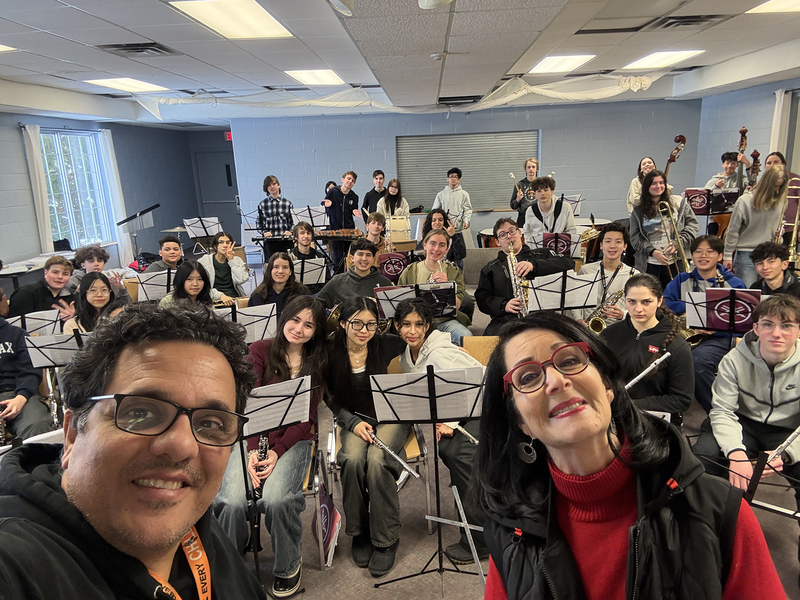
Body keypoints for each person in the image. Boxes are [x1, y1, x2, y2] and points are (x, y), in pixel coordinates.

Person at [473, 311, 783, 600]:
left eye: (569, 360)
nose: (556, 381)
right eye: (527, 377)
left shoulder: (718, 510)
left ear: (607, 385)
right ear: (520, 422)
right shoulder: (510, 530)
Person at [0, 303, 264, 600]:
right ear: (72, 434)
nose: (182, 446)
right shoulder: (14, 565)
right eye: (140, 413)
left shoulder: (197, 523)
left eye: (211, 423)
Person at [213, 296, 327, 598]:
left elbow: (306, 418)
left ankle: (288, 565)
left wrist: (277, 451)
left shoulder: (317, 361)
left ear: (316, 331)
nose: (299, 329)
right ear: (284, 318)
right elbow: (249, 406)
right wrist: (253, 451)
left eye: (308, 325)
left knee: (277, 500)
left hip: (294, 440)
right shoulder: (259, 350)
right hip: (251, 436)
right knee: (231, 501)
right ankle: (230, 562)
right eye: (295, 320)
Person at [692, 294, 800, 574]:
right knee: (703, 458)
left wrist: (788, 454)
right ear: (755, 328)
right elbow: (722, 411)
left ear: (799, 330)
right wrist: (736, 453)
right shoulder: (733, 359)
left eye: (787, 325)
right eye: (768, 324)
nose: (777, 333)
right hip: (742, 423)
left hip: (789, 431)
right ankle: (707, 539)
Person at [394, 298, 486, 563]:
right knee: (448, 451)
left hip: (485, 404)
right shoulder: (407, 355)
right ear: (397, 326)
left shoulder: (438, 353)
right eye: (406, 324)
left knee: (458, 453)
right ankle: (474, 521)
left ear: (428, 326)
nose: (412, 331)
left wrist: (451, 423)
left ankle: (480, 541)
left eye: (419, 324)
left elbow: (479, 385)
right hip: (461, 408)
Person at [324, 297, 406, 577]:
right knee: (351, 459)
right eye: (357, 323)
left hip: (391, 414)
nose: (364, 330)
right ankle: (359, 530)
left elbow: (420, 339)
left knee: (377, 461)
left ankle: (386, 538)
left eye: (371, 324)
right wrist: (351, 422)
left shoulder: (387, 343)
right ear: (343, 323)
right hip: (355, 418)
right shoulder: (330, 350)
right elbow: (328, 397)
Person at [663, 235, 746, 413]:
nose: (703, 256)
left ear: (720, 256)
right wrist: (698, 308)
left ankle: (717, 413)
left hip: (720, 338)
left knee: (698, 363)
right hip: (685, 336)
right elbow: (666, 304)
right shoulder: (681, 279)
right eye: (698, 252)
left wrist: (715, 329)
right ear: (692, 256)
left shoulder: (735, 284)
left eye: (709, 252)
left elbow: (742, 324)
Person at [600, 273, 694, 419]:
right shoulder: (609, 334)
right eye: (631, 302)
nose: (638, 309)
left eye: (646, 302)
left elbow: (681, 399)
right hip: (611, 414)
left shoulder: (677, 345)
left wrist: (631, 404)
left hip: (651, 419)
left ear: (659, 301)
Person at [476, 218, 573, 336]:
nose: (509, 236)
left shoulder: (542, 254)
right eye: (502, 234)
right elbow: (482, 299)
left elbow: (568, 263)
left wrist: (534, 265)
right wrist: (504, 305)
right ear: (497, 242)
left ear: (519, 233)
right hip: (506, 319)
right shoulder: (490, 268)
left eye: (512, 231)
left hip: (543, 315)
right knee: (489, 340)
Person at [398, 229, 472, 345]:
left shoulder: (454, 272)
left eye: (442, 245)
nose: (436, 249)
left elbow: (457, 305)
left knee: (466, 336)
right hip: (416, 322)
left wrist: (447, 286)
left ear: (447, 249)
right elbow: (400, 303)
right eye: (432, 243)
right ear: (425, 245)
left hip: (444, 321)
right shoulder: (410, 270)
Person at [630, 169, 699, 289]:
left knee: (677, 294)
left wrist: (678, 243)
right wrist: (652, 251)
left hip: (676, 260)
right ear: (647, 186)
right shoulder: (638, 211)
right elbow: (635, 237)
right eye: (654, 183)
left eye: (661, 182)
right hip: (649, 263)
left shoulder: (679, 203)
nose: (658, 186)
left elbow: (693, 225)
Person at [723, 166, 788, 286]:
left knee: (769, 291)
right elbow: (733, 231)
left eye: (780, 187)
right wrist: (727, 255)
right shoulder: (744, 201)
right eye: (775, 186)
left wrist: (778, 233)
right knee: (747, 292)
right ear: (766, 184)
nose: (777, 190)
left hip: (769, 253)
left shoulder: (781, 201)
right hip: (746, 253)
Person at [569, 222, 638, 328]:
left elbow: (639, 307)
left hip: (619, 328)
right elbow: (576, 300)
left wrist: (623, 315)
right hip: (588, 327)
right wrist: (578, 320)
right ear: (601, 245)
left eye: (618, 242)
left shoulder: (634, 275)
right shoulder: (586, 270)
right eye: (608, 241)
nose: (612, 246)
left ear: (625, 246)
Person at [0, 315, 54, 441]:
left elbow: (30, 371)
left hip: (19, 394)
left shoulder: (17, 334)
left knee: (38, 424)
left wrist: (21, 397)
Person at [315, 239, 392, 310]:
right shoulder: (337, 281)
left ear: (373, 259)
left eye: (368, 255)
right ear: (352, 258)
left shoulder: (384, 283)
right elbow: (317, 305)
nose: (364, 259)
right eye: (360, 254)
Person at [8, 256, 75, 321]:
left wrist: (72, 318)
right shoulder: (26, 293)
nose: (60, 277)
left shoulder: (71, 297)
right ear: (46, 273)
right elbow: (15, 324)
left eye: (65, 274)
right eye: (55, 272)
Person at [520, 176, 577, 247]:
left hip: (561, 247)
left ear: (552, 192)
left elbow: (571, 230)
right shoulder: (530, 210)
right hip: (539, 249)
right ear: (535, 194)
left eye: (546, 190)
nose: (542, 193)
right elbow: (527, 232)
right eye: (539, 191)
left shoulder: (565, 207)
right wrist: (531, 247)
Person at [432, 167, 472, 270]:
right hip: (444, 230)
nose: (453, 179)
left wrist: (466, 221)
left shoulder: (464, 194)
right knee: (444, 253)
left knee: (459, 255)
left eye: (456, 177)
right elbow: (435, 211)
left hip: (458, 230)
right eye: (451, 177)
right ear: (447, 179)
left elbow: (467, 209)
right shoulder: (441, 194)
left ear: (459, 180)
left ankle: (458, 274)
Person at [323, 171, 362, 271]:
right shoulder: (333, 192)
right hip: (335, 230)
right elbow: (325, 203)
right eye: (348, 178)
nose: (350, 181)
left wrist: (354, 211)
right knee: (338, 259)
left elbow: (353, 208)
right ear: (342, 179)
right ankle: (339, 277)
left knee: (350, 258)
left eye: (353, 181)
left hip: (349, 230)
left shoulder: (354, 197)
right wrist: (327, 204)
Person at [197, 231, 249, 306]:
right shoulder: (204, 261)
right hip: (214, 299)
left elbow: (240, 280)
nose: (225, 245)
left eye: (228, 243)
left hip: (234, 298)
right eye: (221, 242)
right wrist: (220, 296)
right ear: (215, 246)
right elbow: (203, 287)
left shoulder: (236, 260)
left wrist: (231, 261)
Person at [258, 175, 294, 257]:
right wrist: (264, 232)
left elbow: (293, 222)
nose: (272, 187)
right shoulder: (262, 204)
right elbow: (259, 223)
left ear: (278, 185)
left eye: (274, 184)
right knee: (270, 264)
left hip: (285, 240)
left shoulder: (287, 203)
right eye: (269, 185)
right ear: (266, 188)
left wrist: (290, 231)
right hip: (269, 242)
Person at [509, 157, 539, 227]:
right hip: (523, 219)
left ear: (537, 169)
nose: (531, 169)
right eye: (529, 167)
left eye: (533, 167)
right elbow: (513, 206)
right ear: (525, 169)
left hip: (538, 218)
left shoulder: (540, 184)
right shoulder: (519, 185)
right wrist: (518, 199)